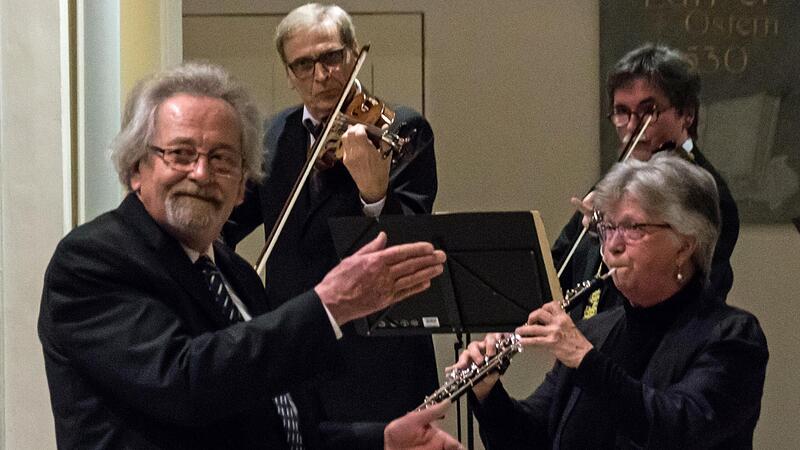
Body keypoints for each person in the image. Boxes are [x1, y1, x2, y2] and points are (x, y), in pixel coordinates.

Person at [37, 62, 458, 449]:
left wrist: (382, 439)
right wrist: (328, 305)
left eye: (222, 160)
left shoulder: (236, 276)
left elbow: (278, 429)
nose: (201, 174)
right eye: (180, 154)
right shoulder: (93, 260)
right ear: (136, 169)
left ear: (242, 187)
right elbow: (185, 384)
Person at [222, 3, 439, 429]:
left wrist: (374, 191)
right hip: (296, 348)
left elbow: (409, 241)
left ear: (353, 53)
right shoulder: (270, 136)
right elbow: (224, 226)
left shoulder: (400, 128)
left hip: (379, 352)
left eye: (332, 58)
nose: (321, 76)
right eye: (303, 64)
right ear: (288, 74)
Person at [456, 154, 767, 449]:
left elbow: (678, 429)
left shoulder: (731, 336)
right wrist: (488, 393)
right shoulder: (597, 332)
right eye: (607, 228)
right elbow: (534, 439)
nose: (612, 247)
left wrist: (586, 360)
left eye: (633, 228)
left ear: (684, 246)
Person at [552, 43, 740, 320]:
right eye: (622, 112)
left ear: (686, 113)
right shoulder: (615, 184)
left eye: (647, 112)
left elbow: (694, 292)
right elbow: (558, 270)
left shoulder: (704, 192)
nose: (632, 126)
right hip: (592, 341)